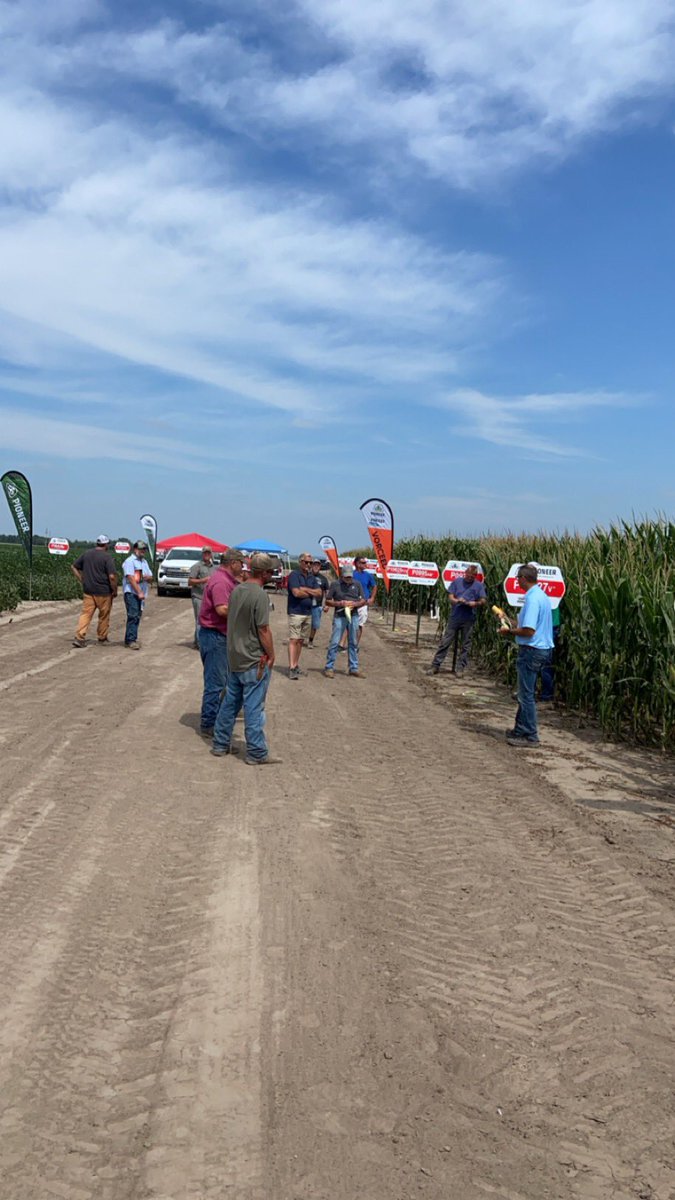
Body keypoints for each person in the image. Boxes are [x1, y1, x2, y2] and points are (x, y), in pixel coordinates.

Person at [211, 552, 276, 764]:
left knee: (230, 703)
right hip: (253, 659)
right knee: (253, 707)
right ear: (265, 573)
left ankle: (220, 743)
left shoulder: (237, 589)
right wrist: (271, 654)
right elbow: (263, 629)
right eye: (271, 571)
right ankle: (256, 752)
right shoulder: (260, 595)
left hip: (235, 657)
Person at [499, 564, 553, 747]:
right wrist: (509, 620)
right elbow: (528, 624)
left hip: (531, 650)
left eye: (517, 578)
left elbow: (529, 631)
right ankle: (520, 729)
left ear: (523, 578)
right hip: (541, 649)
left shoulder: (532, 599)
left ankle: (531, 736)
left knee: (526, 695)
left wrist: (509, 632)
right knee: (525, 692)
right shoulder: (541, 596)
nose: (516, 581)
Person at [197, 549, 245, 736]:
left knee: (222, 681)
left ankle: (215, 717)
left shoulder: (224, 579)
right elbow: (222, 610)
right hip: (215, 636)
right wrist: (244, 612)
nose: (242, 566)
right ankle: (209, 723)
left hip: (218, 636)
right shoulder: (221, 582)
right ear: (233, 563)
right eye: (241, 563)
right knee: (215, 683)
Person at [427, 564, 486, 676]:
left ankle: (460, 668)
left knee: (466, 644)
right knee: (445, 642)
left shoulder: (478, 586)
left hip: (469, 618)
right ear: (465, 573)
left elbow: (483, 600)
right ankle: (435, 665)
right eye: (468, 575)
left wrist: (475, 603)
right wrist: (457, 601)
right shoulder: (457, 582)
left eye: (472, 576)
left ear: (475, 576)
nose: (470, 578)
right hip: (455, 617)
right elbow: (450, 596)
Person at [71, 535, 119, 647]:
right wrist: (115, 589)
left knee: (86, 614)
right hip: (104, 592)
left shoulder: (87, 554)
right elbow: (112, 576)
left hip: (88, 590)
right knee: (103, 615)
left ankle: (79, 637)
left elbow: (73, 566)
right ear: (106, 544)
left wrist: (82, 579)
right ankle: (102, 637)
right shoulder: (107, 557)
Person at [323, 563, 367, 678]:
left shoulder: (357, 584)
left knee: (353, 642)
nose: (348, 579)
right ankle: (329, 667)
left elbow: (363, 600)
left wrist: (355, 604)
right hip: (340, 615)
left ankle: (353, 667)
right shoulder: (335, 584)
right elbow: (327, 601)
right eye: (346, 577)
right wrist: (339, 603)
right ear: (342, 576)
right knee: (335, 641)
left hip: (354, 616)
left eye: (350, 577)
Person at [286, 552, 322, 678]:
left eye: (310, 562)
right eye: (306, 562)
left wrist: (305, 589)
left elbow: (319, 593)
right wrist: (311, 592)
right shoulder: (294, 575)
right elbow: (296, 593)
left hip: (307, 612)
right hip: (295, 612)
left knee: (301, 640)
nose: (308, 564)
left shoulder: (311, 577)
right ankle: (291, 668)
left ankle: (295, 665)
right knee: (294, 639)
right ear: (300, 562)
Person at [340, 555, 378, 649]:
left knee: (360, 625)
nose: (365, 564)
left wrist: (372, 598)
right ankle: (341, 644)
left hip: (363, 603)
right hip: (351, 602)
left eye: (365, 562)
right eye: (363, 562)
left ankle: (354, 645)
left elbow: (374, 586)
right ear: (357, 563)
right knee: (348, 623)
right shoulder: (351, 574)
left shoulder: (368, 575)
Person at [122, 541, 153, 650]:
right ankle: (131, 640)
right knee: (133, 615)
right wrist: (139, 591)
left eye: (144, 549)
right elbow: (130, 578)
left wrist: (146, 578)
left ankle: (131, 638)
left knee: (137, 616)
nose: (143, 551)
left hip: (141, 593)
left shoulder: (144, 562)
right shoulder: (130, 561)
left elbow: (150, 577)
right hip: (132, 592)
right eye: (141, 549)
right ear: (135, 549)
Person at [188, 547, 216, 648]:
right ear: (202, 554)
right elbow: (190, 582)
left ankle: (197, 641)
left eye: (208, 553)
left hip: (209, 598)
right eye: (205, 553)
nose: (207, 555)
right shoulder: (197, 566)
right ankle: (201, 644)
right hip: (198, 596)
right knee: (200, 620)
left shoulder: (214, 568)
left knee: (206, 620)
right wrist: (203, 580)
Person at [540, 603, 561, 701]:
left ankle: (546, 695)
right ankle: (528, 692)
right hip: (535, 622)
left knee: (546, 661)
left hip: (551, 624)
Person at [307, 558, 329, 648]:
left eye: (318, 565)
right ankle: (299, 638)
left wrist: (327, 604)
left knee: (315, 624)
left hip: (317, 605)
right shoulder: (307, 576)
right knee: (304, 622)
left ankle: (310, 641)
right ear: (311, 566)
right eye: (314, 564)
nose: (316, 566)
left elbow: (327, 592)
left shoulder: (323, 579)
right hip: (306, 603)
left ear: (320, 566)